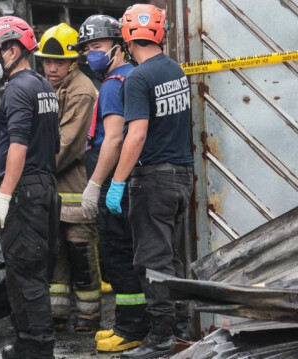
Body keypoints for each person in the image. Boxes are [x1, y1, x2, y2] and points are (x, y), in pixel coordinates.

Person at [105, 4, 193, 359]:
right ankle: (182, 326)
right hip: (181, 176)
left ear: (127, 38)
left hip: (153, 180)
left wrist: (117, 182)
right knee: (170, 257)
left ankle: (160, 338)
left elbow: (136, 135)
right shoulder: (175, 70)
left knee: (152, 260)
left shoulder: (138, 78)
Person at [0, 16, 61, 359]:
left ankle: (39, 349)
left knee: (26, 273)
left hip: (25, 191)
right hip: (42, 186)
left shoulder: (17, 89)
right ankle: (27, 343)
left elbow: (18, 145)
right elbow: (54, 144)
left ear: (11, 49)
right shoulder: (43, 85)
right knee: (24, 270)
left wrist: (4, 194)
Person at [75, 15, 150, 353]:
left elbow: (114, 139)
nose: (91, 54)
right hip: (138, 180)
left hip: (117, 183)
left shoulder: (113, 83)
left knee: (118, 255)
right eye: (87, 48)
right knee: (135, 253)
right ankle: (133, 323)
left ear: (118, 48)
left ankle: (130, 328)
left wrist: (95, 183)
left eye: (97, 47)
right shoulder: (135, 76)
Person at [34, 23, 101, 332]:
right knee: (56, 253)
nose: (51, 67)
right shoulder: (48, 88)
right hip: (54, 193)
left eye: (58, 61)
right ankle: (57, 315)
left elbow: (68, 146)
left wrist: (29, 170)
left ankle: (89, 316)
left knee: (80, 252)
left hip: (76, 190)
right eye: (47, 61)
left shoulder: (82, 91)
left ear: (74, 61)